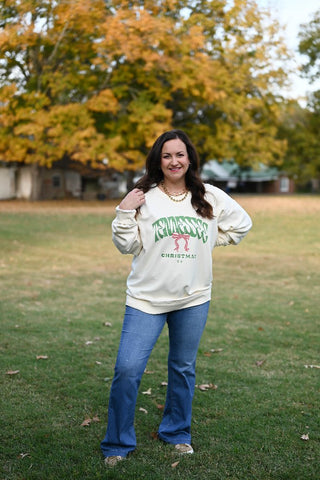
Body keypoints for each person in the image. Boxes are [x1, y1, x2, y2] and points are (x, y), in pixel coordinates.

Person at [100, 130, 252, 467]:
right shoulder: (144, 197)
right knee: (127, 369)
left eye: (180, 155)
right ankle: (117, 443)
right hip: (146, 300)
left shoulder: (210, 196)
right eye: (167, 156)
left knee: (183, 368)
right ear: (158, 160)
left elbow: (242, 225)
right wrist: (124, 212)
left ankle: (176, 433)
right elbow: (126, 245)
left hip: (193, 298)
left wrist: (210, 242)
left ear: (190, 159)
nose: (174, 161)